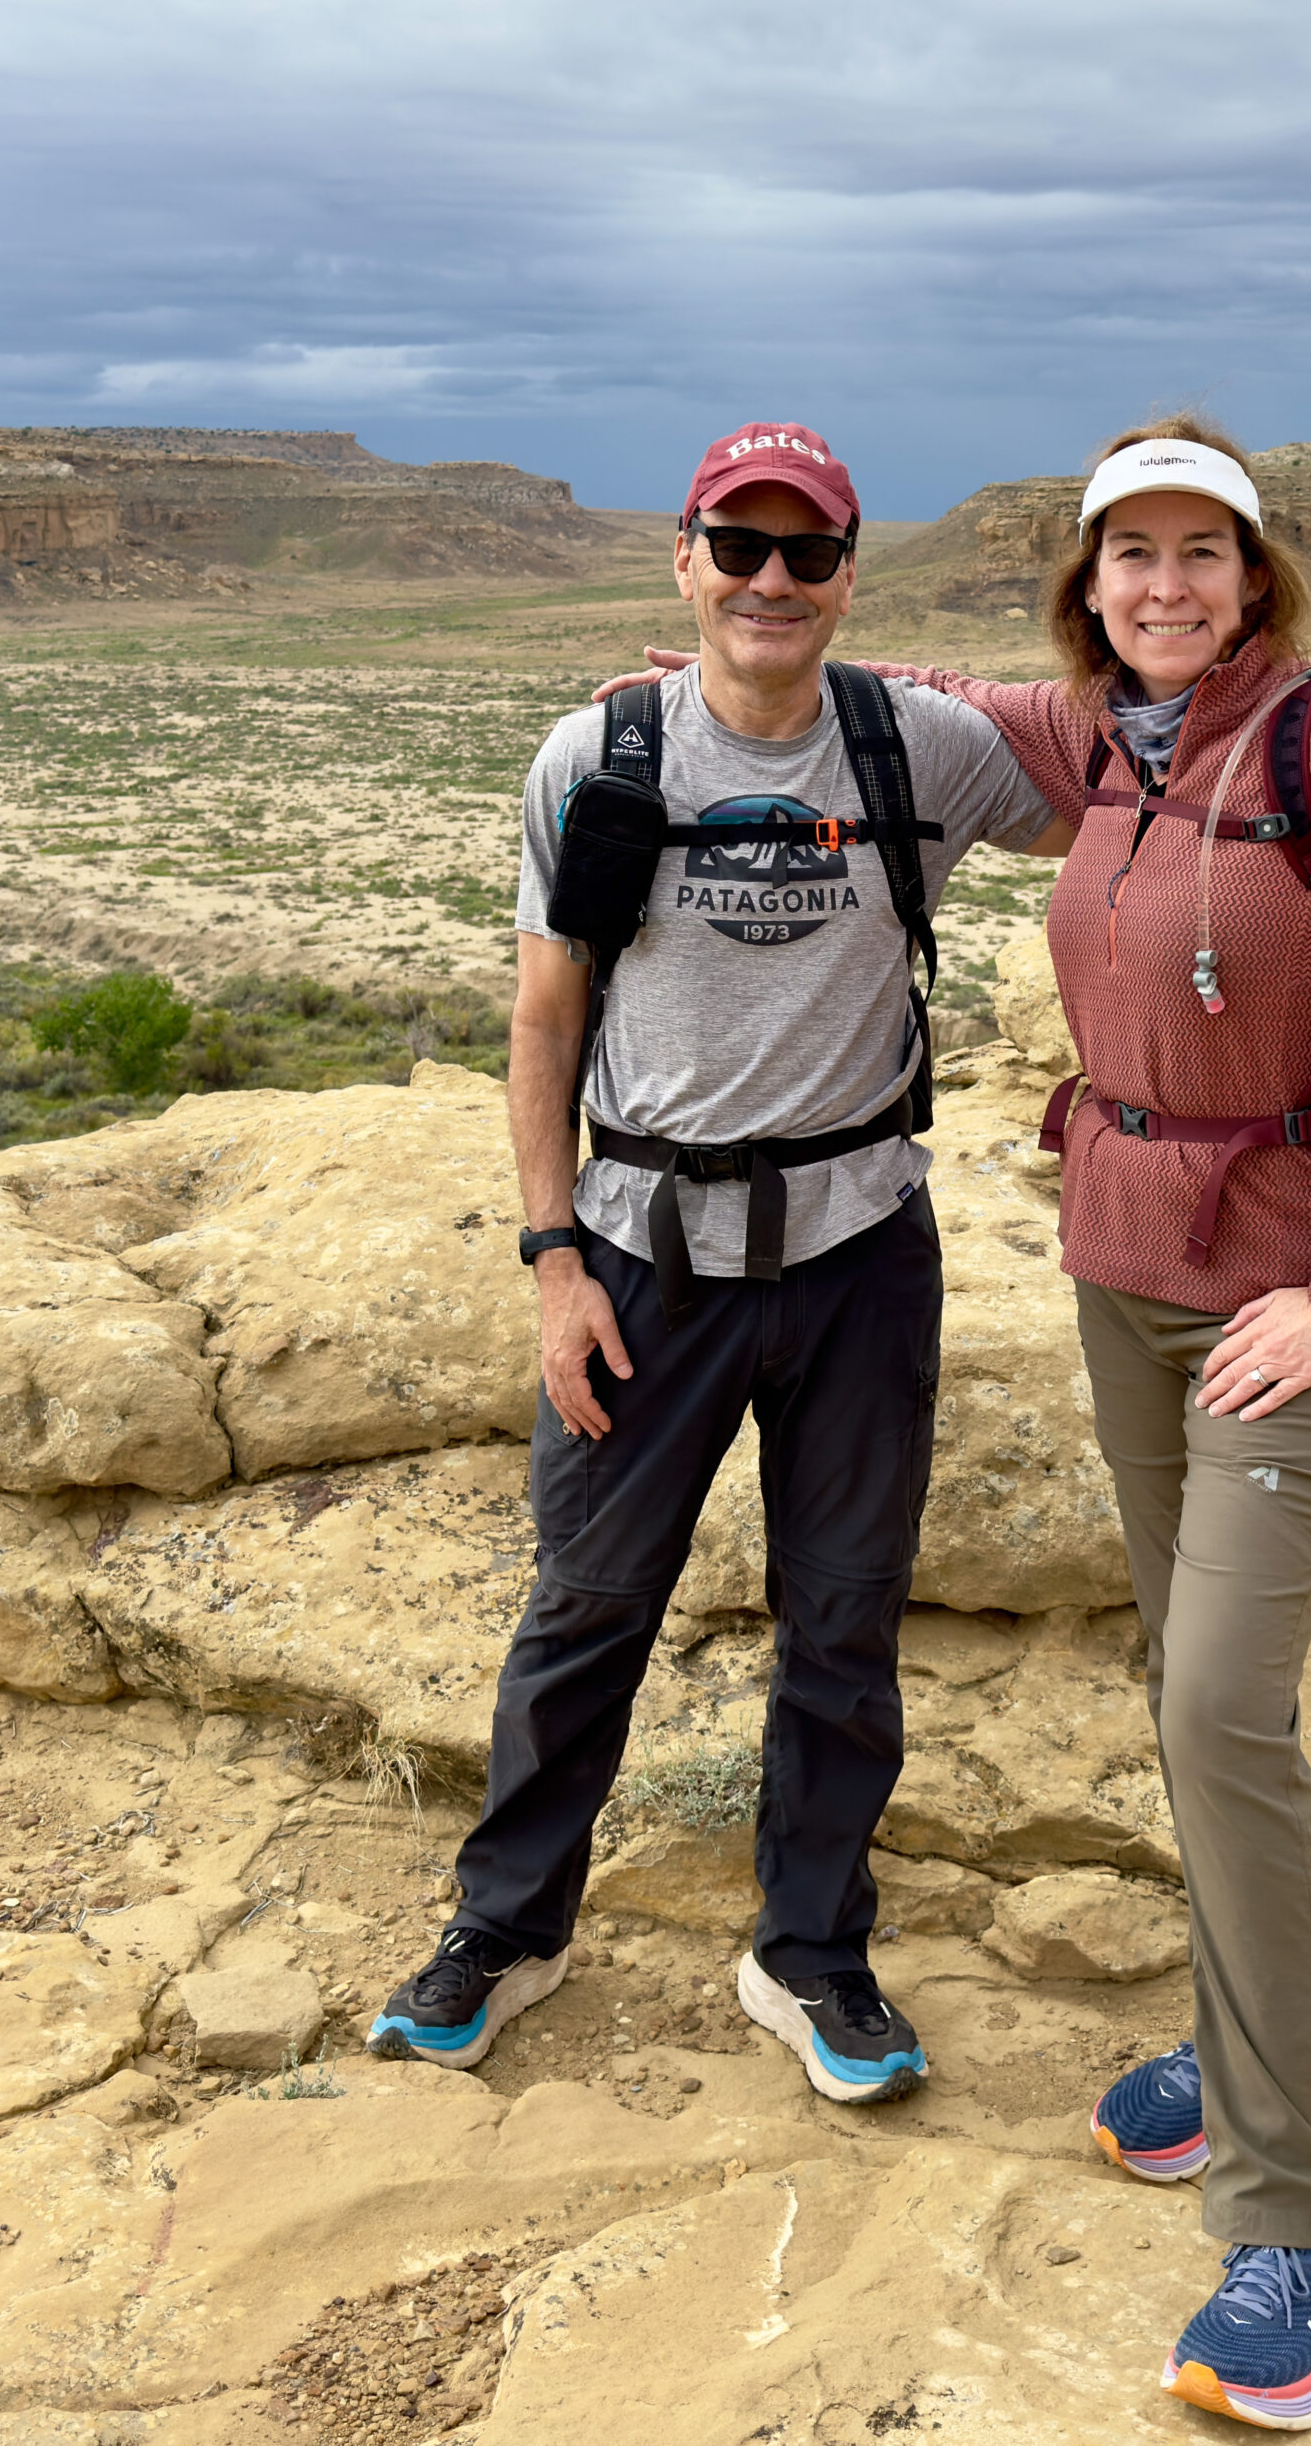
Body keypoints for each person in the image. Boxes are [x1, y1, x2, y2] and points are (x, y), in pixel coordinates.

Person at [609, 416, 1311, 2429]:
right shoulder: (1101, 733)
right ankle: (1237, 2045)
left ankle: (1295, 2225)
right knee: (1182, 1690)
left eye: (1201, 552)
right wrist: (710, 670)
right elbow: (902, 693)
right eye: (1130, 555)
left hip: (1288, 1314)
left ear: (1254, 574)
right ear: (1087, 584)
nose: (1164, 586)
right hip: (1127, 1282)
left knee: (1218, 1710)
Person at [366, 421, 1068, 2108]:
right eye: (737, 548)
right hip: (644, 1256)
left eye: (806, 553)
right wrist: (554, 1263)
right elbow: (545, 1025)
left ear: (849, 574)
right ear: (681, 559)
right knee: (589, 1604)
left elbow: (1108, 796)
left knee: (845, 1617)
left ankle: (811, 1951)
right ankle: (506, 1928)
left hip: (858, 1251)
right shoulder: (599, 756)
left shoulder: (916, 746)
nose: (770, 580)